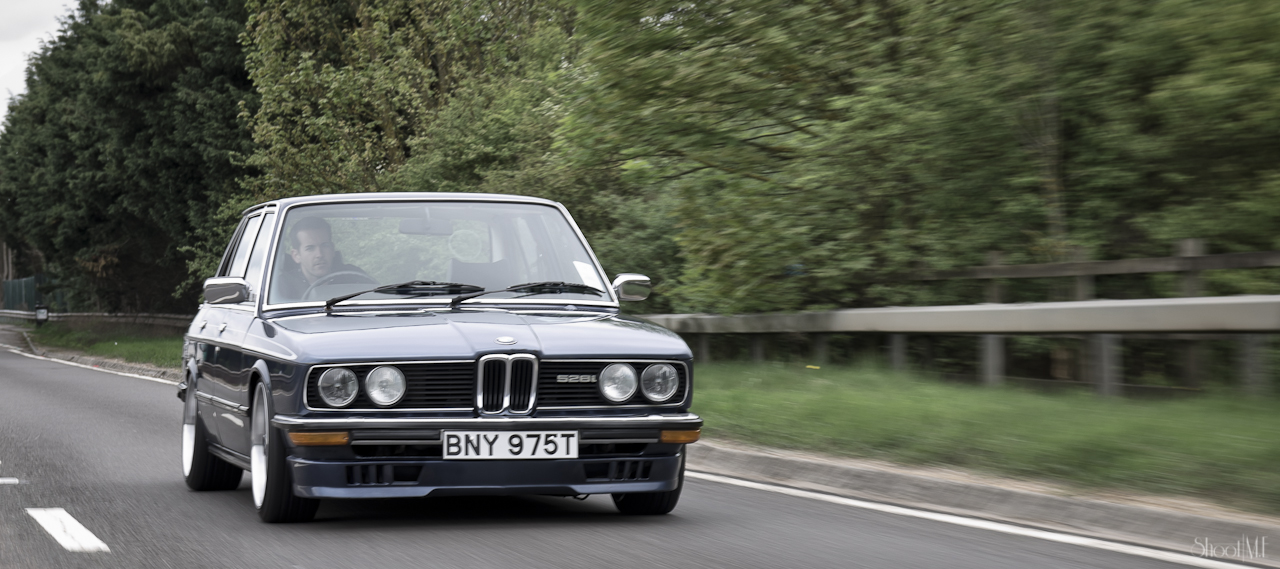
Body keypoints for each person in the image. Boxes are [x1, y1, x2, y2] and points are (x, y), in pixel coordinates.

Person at [272, 216, 370, 301]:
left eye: (325, 246)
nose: (319, 254)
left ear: (332, 250)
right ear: (296, 255)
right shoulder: (281, 287)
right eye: (310, 248)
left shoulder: (355, 278)